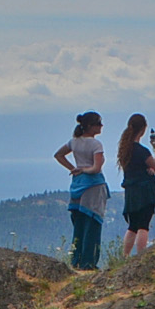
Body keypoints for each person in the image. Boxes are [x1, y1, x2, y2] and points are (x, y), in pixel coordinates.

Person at [54, 111, 108, 269]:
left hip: (77, 185)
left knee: (79, 225)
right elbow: (96, 168)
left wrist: (74, 168)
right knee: (92, 225)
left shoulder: (74, 142)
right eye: (99, 123)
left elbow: (58, 155)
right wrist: (84, 169)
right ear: (91, 126)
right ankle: (89, 263)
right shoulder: (96, 144)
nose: (101, 126)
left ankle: (76, 261)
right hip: (93, 187)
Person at [117, 114, 155, 258]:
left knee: (133, 226)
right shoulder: (142, 151)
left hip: (131, 192)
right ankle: (140, 257)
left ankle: (125, 256)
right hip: (145, 191)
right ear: (143, 130)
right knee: (143, 225)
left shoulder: (125, 150)